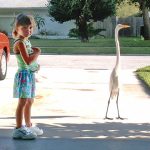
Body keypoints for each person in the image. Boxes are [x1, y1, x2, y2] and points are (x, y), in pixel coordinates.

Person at [12, 14, 43, 140]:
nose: (28, 30)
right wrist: (37, 53)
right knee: (22, 102)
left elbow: (31, 62)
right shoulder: (19, 43)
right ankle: (19, 129)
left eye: (30, 27)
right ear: (17, 29)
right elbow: (27, 61)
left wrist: (36, 65)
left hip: (29, 75)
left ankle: (28, 126)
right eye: (24, 28)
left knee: (30, 101)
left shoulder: (26, 41)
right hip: (23, 76)